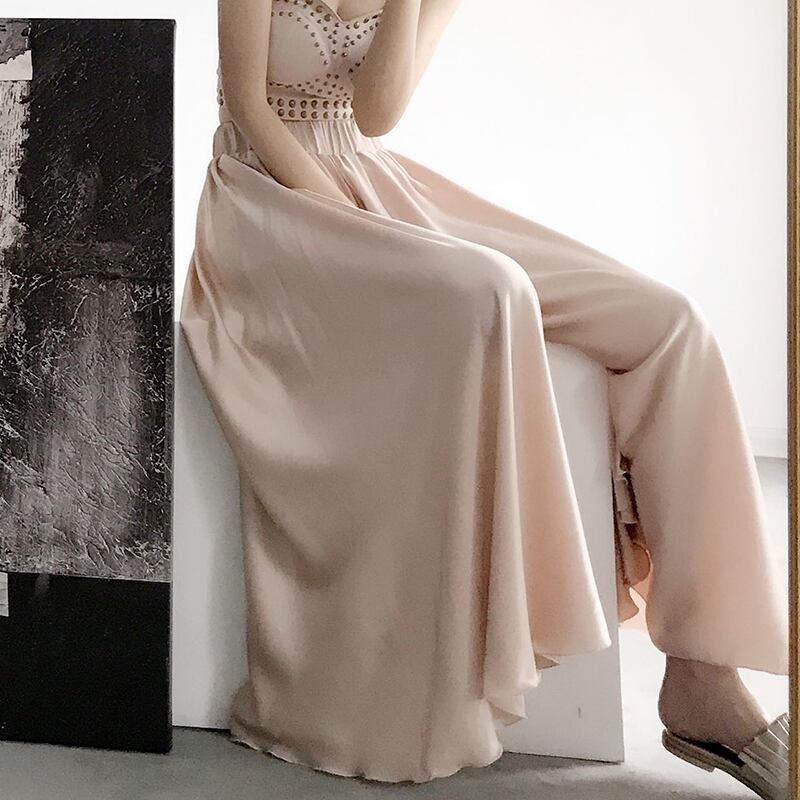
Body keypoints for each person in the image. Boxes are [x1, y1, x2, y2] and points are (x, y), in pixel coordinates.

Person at [179, 0, 791, 794]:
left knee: (670, 323)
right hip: (268, 202)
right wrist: (352, 227)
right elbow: (248, 107)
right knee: (491, 290)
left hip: (373, 179)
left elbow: (376, 115)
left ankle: (706, 676)